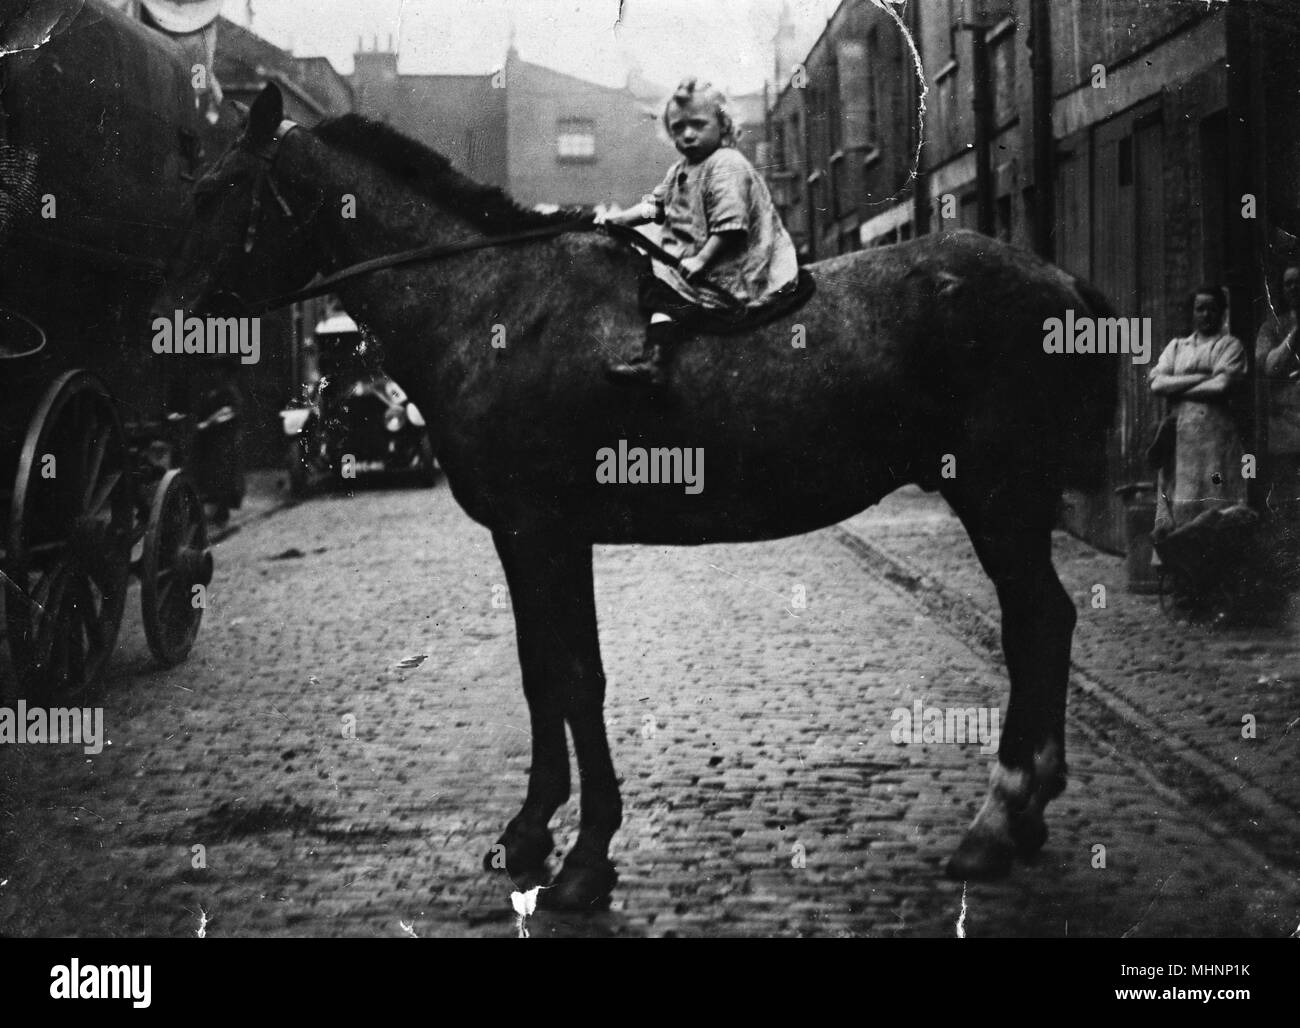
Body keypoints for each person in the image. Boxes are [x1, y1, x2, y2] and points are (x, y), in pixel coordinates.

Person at [600, 78, 799, 388]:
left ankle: (657, 362)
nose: (687, 134)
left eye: (697, 124)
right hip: (693, 258)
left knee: (662, 294)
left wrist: (701, 260)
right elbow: (656, 206)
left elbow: (731, 226)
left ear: (722, 124)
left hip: (729, 266)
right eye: (678, 128)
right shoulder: (681, 170)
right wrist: (621, 220)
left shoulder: (726, 165)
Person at [1148, 285, 1248, 536]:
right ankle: (1180, 570)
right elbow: (1157, 383)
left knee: (1217, 501)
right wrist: (1203, 377)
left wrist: (1177, 387)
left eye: (1212, 309)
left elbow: (1222, 385)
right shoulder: (1177, 347)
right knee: (1179, 500)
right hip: (1181, 440)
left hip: (1216, 439)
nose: (1206, 314)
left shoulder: (1230, 346)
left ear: (1222, 313)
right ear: (1192, 313)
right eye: (1200, 309)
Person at [1255, 263, 1300, 514]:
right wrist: (1296, 331)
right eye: (1289, 283)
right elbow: (1270, 366)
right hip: (1286, 428)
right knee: (1288, 502)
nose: (1294, 287)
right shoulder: (1271, 327)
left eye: (1299, 281)